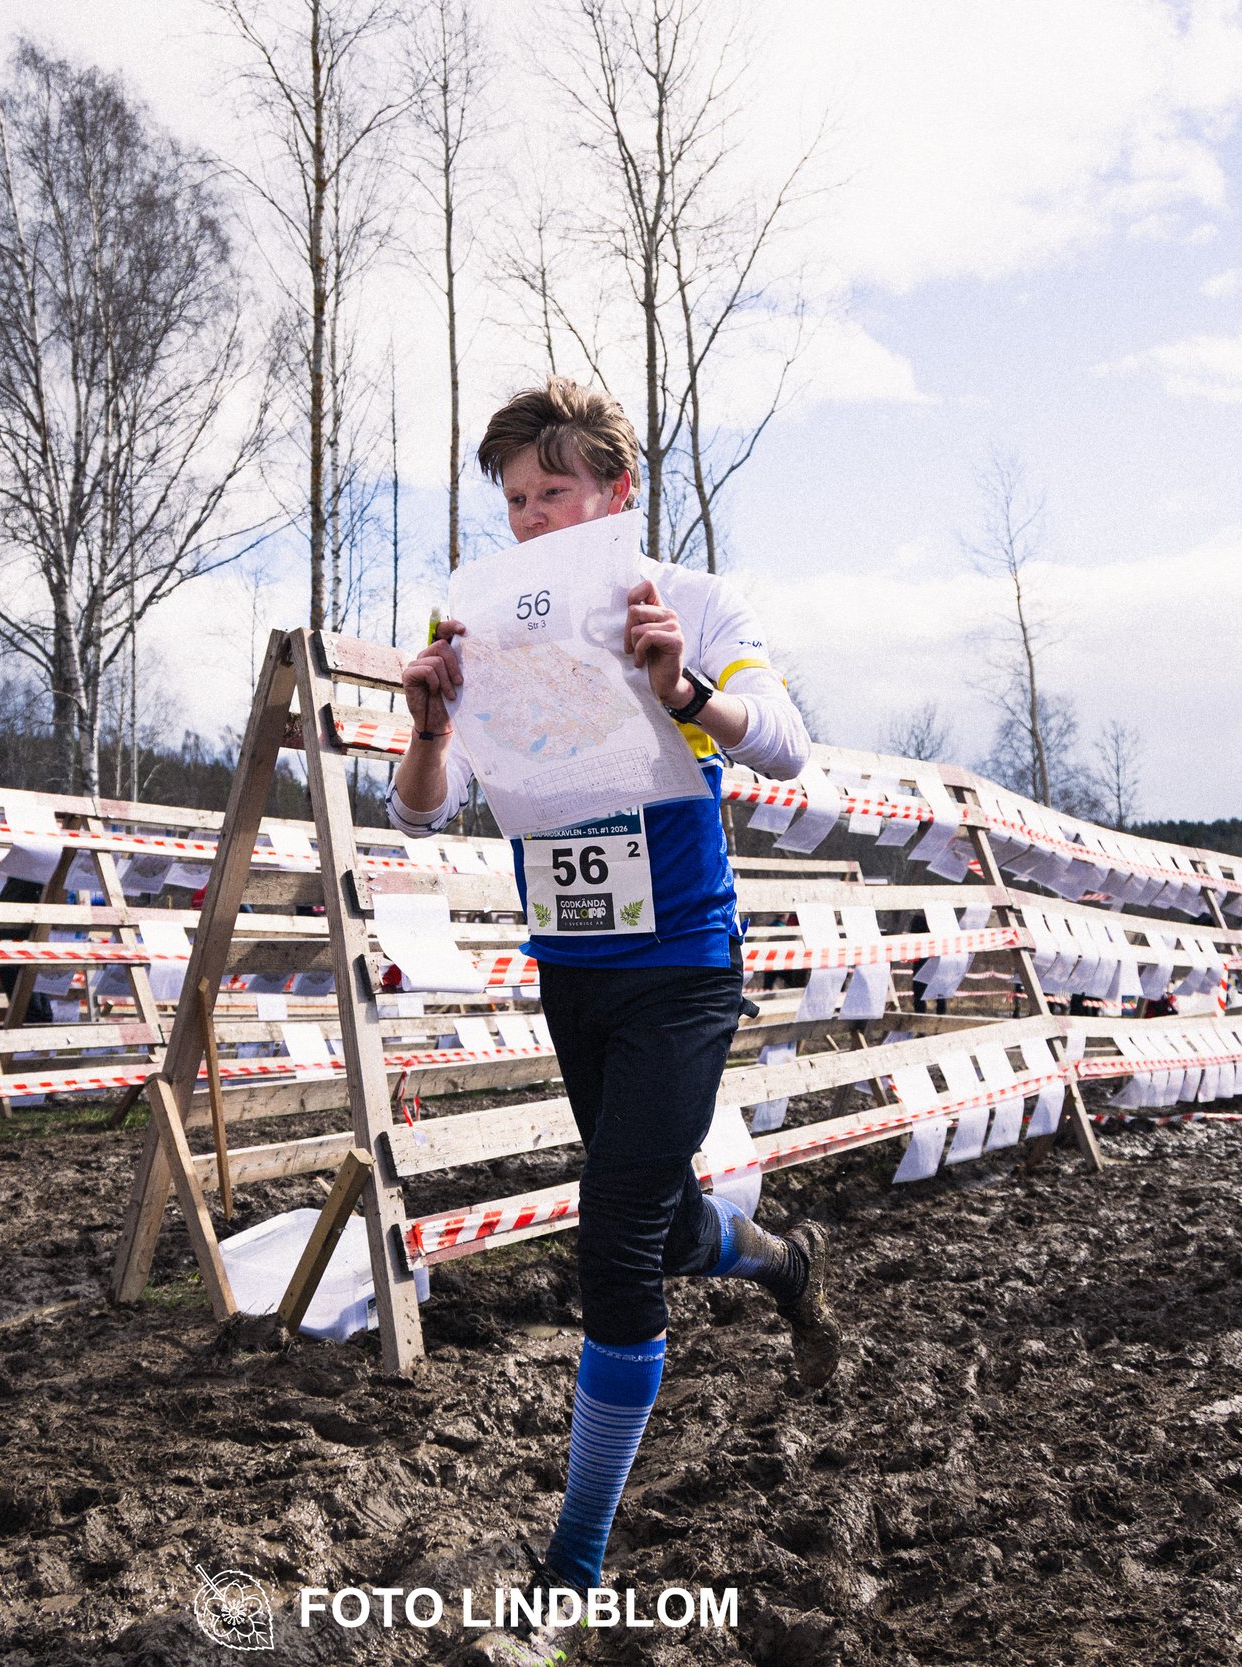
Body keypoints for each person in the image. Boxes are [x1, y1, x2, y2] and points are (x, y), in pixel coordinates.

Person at [391, 379, 840, 1648]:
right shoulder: (481, 622)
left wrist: (685, 691)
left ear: (615, 491)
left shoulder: (688, 602)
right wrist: (429, 725)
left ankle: (575, 1559)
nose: (534, 518)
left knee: (610, 1239)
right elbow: (422, 806)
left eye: (555, 491)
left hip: (684, 968)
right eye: (517, 500)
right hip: (573, 969)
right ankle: (777, 1258)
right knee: (653, 1220)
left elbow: (789, 747)